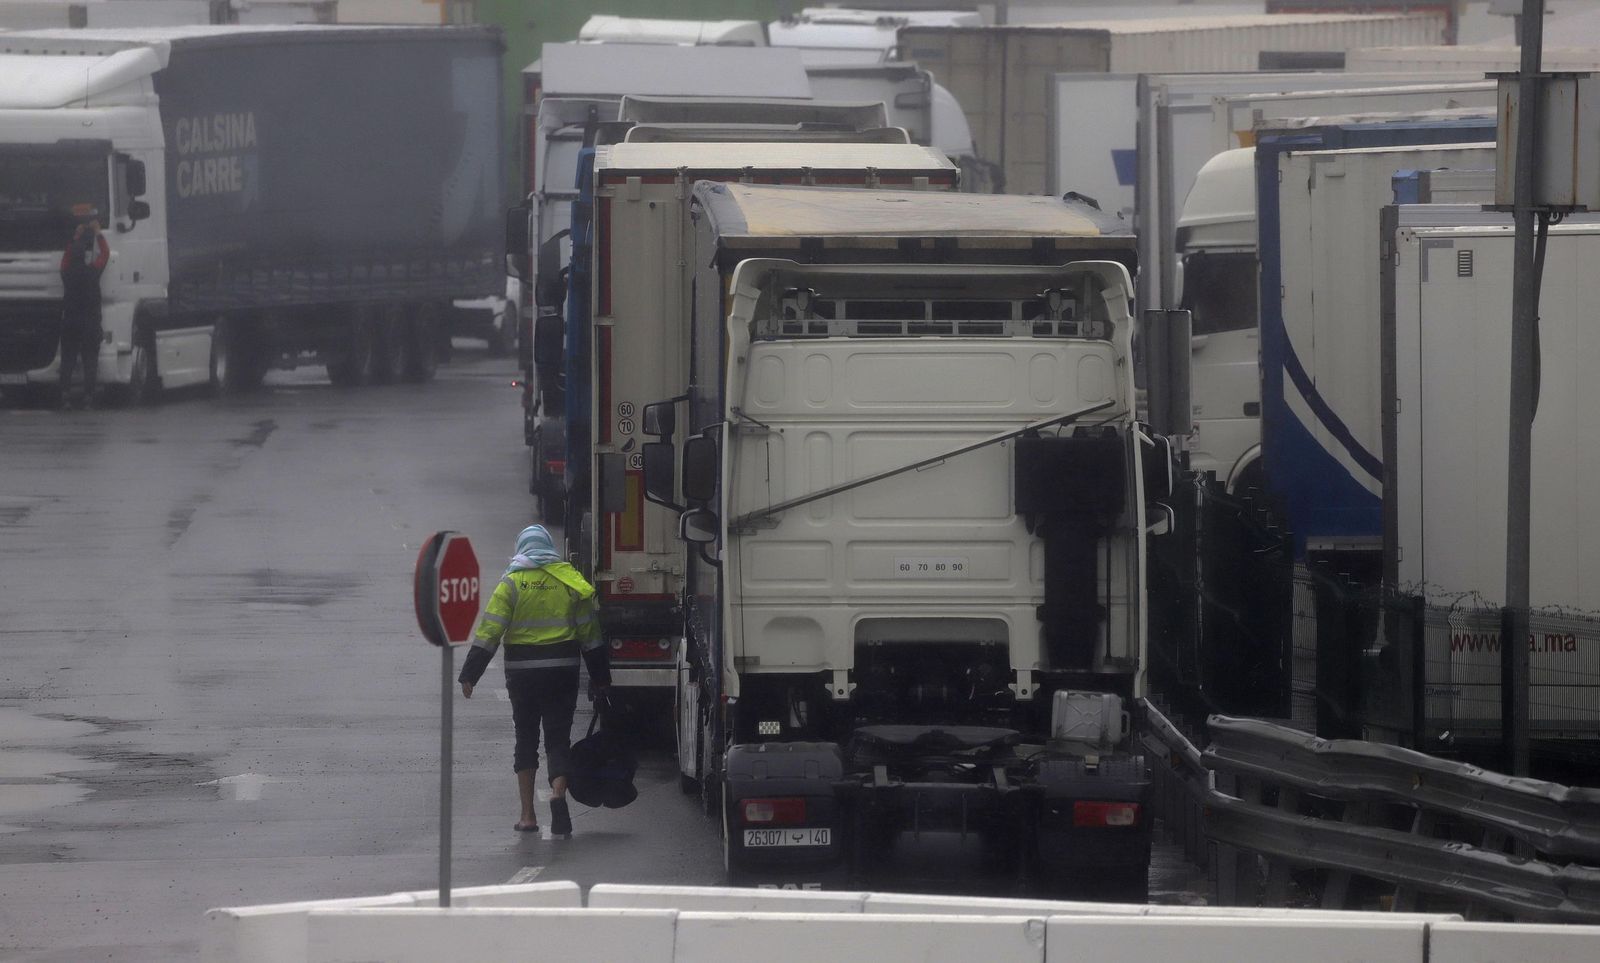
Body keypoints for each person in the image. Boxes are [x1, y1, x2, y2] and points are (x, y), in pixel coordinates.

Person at [460, 524, 609, 836]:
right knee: (558, 737)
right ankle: (557, 794)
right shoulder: (569, 581)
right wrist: (600, 677)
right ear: (548, 548)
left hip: (523, 674)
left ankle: (527, 815)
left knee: (526, 737)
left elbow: (491, 632)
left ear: (522, 548)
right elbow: (591, 635)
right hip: (562, 671)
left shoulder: (512, 583)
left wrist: (470, 674)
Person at [58, 209, 110, 410]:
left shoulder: (66, 275)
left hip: (70, 323)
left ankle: (65, 396)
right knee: (90, 361)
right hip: (89, 325)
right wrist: (98, 232)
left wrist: (76, 237)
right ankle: (89, 397)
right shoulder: (93, 272)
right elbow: (105, 255)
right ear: (86, 256)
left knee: (68, 360)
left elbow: (65, 259)